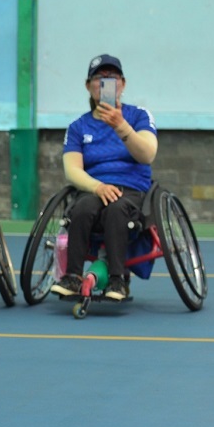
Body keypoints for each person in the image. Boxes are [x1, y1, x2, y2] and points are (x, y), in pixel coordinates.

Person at [51, 54, 158, 301]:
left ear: (123, 84)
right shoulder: (78, 127)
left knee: (117, 210)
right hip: (94, 188)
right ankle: (72, 276)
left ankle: (118, 280)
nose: (105, 83)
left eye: (112, 78)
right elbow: (72, 170)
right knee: (81, 208)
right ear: (88, 86)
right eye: (100, 79)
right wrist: (97, 186)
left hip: (131, 189)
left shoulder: (139, 116)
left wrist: (121, 126)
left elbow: (147, 154)